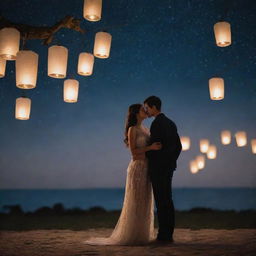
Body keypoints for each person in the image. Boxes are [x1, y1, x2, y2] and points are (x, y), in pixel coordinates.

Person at [83, 103, 161, 245]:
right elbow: (134, 152)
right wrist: (151, 147)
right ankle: (132, 235)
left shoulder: (145, 129)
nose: (145, 111)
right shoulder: (132, 129)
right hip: (137, 168)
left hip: (147, 167)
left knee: (145, 201)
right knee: (136, 201)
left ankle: (142, 235)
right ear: (136, 113)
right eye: (142, 110)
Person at [144, 96, 182, 243]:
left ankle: (163, 236)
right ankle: (168, 234)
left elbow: (155, 148)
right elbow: (178, 146)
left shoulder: (156, 124)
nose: (145, 110)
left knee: (161, 201)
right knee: (168, 200)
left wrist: (145, 152)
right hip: (169, 168)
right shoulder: (170, 123)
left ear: (153, 107)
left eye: (146, 107)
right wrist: (171, 162)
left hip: (159, 168)